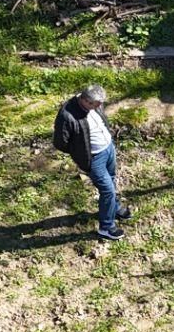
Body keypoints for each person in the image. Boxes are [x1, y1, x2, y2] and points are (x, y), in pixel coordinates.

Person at [53, 84, 131, 241]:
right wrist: (79, 152)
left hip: (108, 149)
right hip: (94, 158)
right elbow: (60, 143)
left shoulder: (94, 104)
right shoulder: (67, 115)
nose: (100, 106)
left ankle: (113, 208)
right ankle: (106, 228)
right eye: (96, 104)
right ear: (85, 101)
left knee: (112, 178)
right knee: (107, 191)